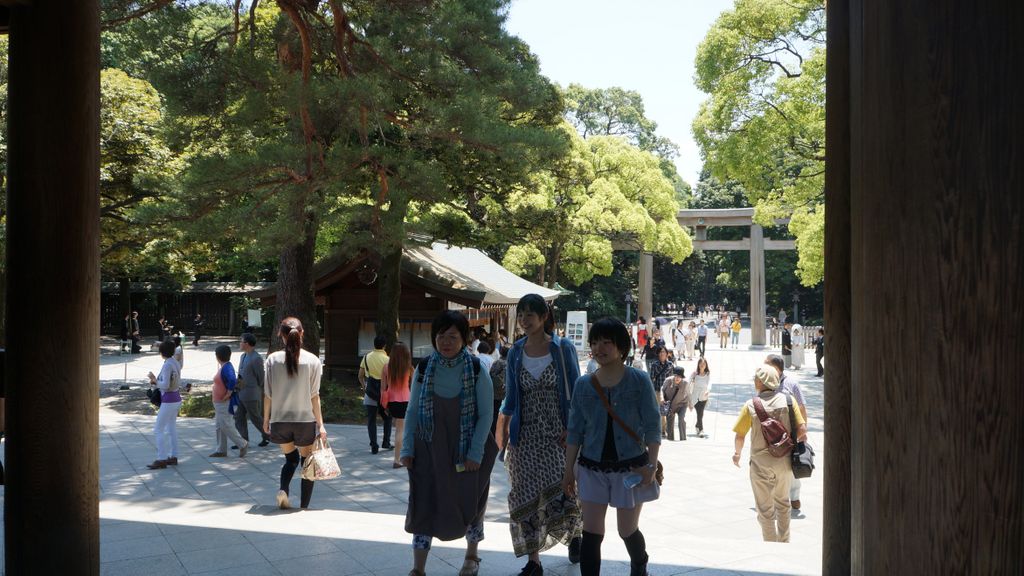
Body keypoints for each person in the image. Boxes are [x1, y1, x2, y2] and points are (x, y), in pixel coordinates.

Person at [400, 310, 497, 576]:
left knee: (472, 502)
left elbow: (487, 413)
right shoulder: (423, 368)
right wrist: (406, 448)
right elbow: (412, 412)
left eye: (453, 336)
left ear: (465, 339)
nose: (446, 341)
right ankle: (418, 567)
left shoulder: (477, 369)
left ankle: (472, 556)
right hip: (429, 448)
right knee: (423, 501)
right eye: (441, 336)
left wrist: (475, 451)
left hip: (468, 449)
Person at [563, 318, 660, 576]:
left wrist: (651, 464)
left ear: (621, 347)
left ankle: (639, 565)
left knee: (626, 529)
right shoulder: (584, 384)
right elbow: (575, 432)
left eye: (607, 342)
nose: (599, 348)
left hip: (630, 467)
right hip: (591, 465)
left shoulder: (639, 380)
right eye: (595, 342)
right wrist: (568, 470)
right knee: (592, 532)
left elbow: (652, 426)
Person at [496, 294, 583, 575]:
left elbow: (576, 391)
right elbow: (510, 396)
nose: (524, 319)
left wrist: (572, 429)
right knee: (523, 494)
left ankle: (575, 534)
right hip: (525, 436)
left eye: (530, 313)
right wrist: (503, 430)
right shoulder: (516, 351)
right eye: (521, 314)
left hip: (557, 434)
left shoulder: (562, 348)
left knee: (566, 489)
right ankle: (533, 561)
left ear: (544, 317)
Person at [731, 365, 807, 542]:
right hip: (784, 463)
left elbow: (740, 436)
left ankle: (770, 544)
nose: (755, 381)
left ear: (761, 382)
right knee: (783, 504)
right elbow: (802, 429)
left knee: (764, 509)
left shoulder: (751, 405)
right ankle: (784, 541)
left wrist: (737, 454)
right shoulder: (789, 401)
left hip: (760, 464)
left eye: (756, 378)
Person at [263, 317, 327, 509]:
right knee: (307, 463)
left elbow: (268, 395)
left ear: (281, 335)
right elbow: (315, 396)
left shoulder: (272, 360)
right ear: (302, 334)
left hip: (280, 420)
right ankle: (304, 506)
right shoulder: (313, 361)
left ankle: (283, 489)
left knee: (290, 459)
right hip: (304, 421)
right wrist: (321, 424)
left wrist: (266, 419)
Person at [766, 354, 808, 511]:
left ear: (776, 368)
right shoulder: (765, 382)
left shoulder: (791, 384)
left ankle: (795, 497)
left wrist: (803, 428)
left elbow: (802, 406)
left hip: (791, 431)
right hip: (771, 431)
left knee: (792, 465)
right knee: (773, 465)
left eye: (766, 365)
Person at [146, 339, 182, 469]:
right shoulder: (175, 362)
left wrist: (154, 381)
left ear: (161, 352)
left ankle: (161, 458)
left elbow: (165, 385)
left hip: (168, 399)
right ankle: (173, 456)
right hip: (176, 397)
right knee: (171, 428)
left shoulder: (167, 365)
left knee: (158, 429)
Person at [208, 344, 248, 458]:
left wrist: (228, 393)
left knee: (226, 425)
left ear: (217, 356)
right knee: (219, 426)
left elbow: (231, 380)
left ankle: (242, 444)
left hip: (224, 402)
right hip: (220, 402)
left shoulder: (226, 367)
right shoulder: (226, 366)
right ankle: (221, 449)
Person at [234, 333, 270, 448]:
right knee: (238, 417)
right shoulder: (243, 356)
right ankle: (243, 441)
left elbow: (261, 377)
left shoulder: (256, 358)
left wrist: (255, 387)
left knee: (255, 418)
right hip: (240, 392)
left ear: (247, 344)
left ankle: (267, 435)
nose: (240, 343)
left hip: (251, 393)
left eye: (241, 341)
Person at [358, 335, 392, 454]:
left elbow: (360, 375)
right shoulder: (387, 359)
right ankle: (386, 442)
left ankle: (374, 445)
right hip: (384, 394)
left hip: (370, 392)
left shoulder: (367, 357)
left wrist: (364, 387)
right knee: (387, 418)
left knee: (371, 420)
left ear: (374, 344)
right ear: (384, 346)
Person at [382, 342, 413, 469]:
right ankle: (397, 459)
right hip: (405, 400)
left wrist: (383, 404)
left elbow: (383, 388)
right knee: (402, 430)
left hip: (391, 401)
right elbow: (415, 386)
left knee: (399, 430)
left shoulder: (386, 367)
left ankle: (400, 457)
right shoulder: (409, 368)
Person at [647, 347, 673, 438]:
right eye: (660, 352)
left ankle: (665, 430)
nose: (662, 354)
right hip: (658, 391)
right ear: (658, 354)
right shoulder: (654, 364)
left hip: (667, 392)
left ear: (667, 354)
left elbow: (672, 379)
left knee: (667, 411)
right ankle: (661, 430)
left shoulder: (670, 364)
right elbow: (651, 378)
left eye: (664, 352)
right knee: (660, 411)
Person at [661, 367, 690, 441]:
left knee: (681, 419)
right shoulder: (668, 381)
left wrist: (691, 404)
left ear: (682, 377)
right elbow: (662, 390)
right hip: (671, 405)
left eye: (679, 377)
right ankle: (670, 439)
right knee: (670, 422)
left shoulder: (685, 383)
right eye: (676, 376)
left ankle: (683, 439)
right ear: (673, 375)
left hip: (682, 404)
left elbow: (689, 394)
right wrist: (662, 398)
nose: (677, 378)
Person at [690, 357, 712, 438]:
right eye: (701, 364)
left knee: (701, 413)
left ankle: (697, 426)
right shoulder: (695, 374)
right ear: (698, 365)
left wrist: (708, 390)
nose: (702, 366)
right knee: (699, 413)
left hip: (704, 396)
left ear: (706, 365)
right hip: (695, 396)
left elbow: (709, 383)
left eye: (704, 364)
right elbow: (689, 383)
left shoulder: (707, 374)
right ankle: (701, 430)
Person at [489, 345, 509, 436]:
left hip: (493, 391)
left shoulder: (496, 362)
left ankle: (492, 432)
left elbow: (490, 374)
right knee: (502, 415)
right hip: (503, 392)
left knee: (494, 412)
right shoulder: (507, 364)